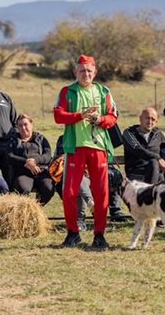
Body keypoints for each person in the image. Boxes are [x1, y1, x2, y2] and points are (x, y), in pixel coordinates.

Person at [54, 54, 119, 249]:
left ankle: (99, 234)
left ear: (95, 72)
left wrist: (100, 120)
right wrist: (79, 116)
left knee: (101, 193)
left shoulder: (103, 91)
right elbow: (58, 116)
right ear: (75, 72)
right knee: (69, 192)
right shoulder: (67, 91)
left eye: (89, 71)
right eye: (82, 70)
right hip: (75, 147)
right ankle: (73, 233)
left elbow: (113, 116)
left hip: (98, 147)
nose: (86, 74)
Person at [5, 114, 54, 205]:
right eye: (20, 125)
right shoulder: (13, 140)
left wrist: (34, 161)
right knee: (22, 188)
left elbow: (47, 155)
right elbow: (10, 156)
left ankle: (36, 209)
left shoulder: (40, 139)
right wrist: (26, 162)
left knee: (49, 188)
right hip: (22, 173)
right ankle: (26, 210)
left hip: (40, 172)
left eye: (25, 124)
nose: (23, 128)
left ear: (31, 125)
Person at [122, 107, 165, 184]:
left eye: (153, 119)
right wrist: (158, 158)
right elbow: (137, 149)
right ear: (140, 118)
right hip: (136, 175)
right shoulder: (129, 133)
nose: (150, 121)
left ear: (156, 121)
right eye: (147, 118)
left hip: (156, 174)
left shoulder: (158, 134)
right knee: (154, 163)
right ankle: (150, 193)